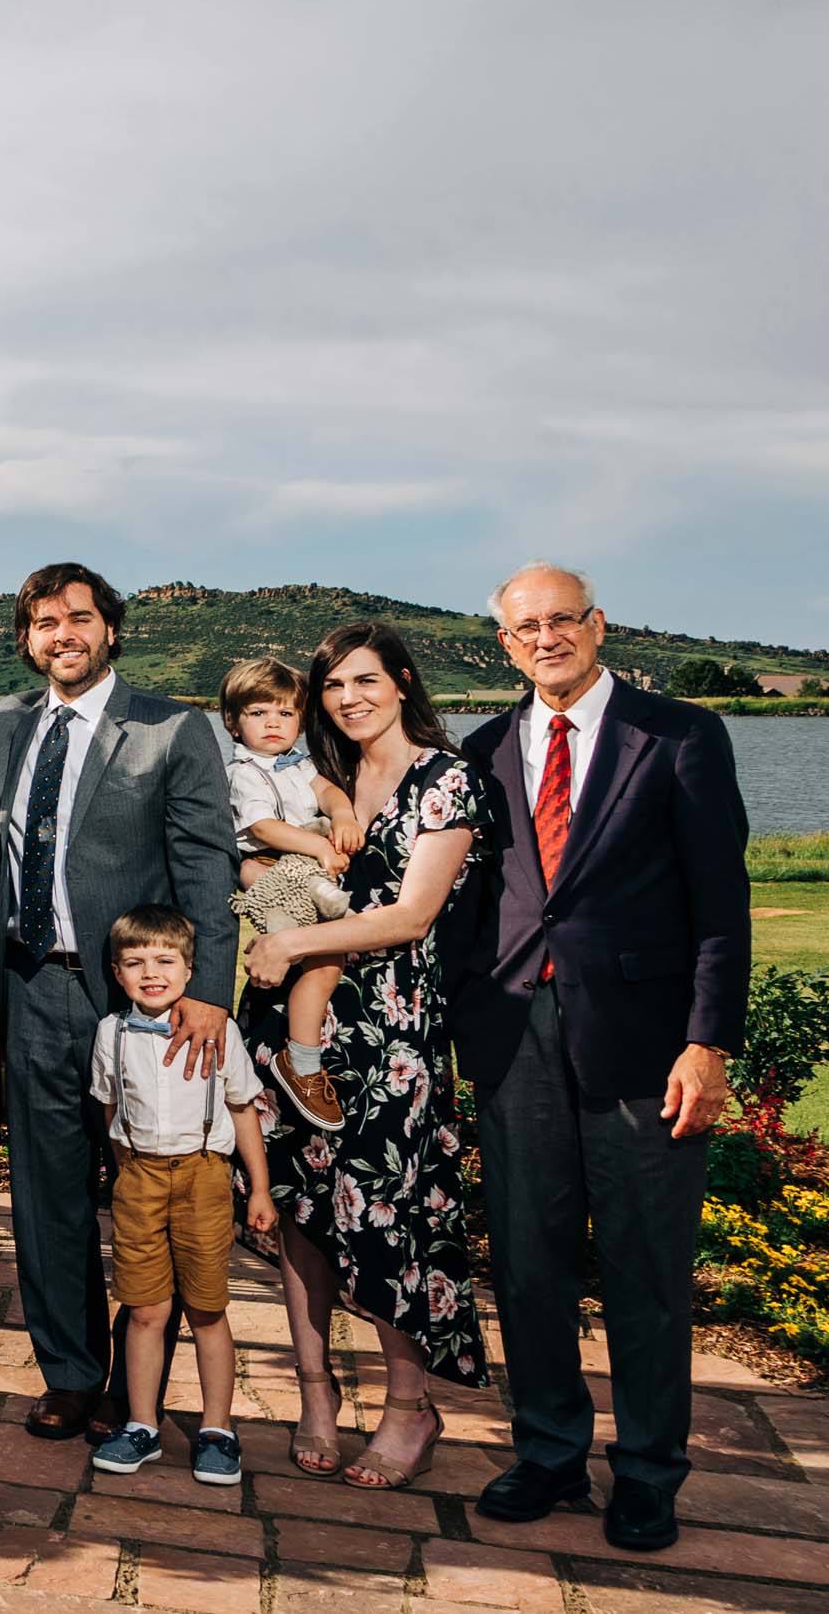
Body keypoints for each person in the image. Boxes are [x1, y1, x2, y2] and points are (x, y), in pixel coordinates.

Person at [452, 562, 746, 1553]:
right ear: (504, 643)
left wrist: (706, 1043)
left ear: (598, 624)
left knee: (644, 1268)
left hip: (645, 1044)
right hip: (512, 1036)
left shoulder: (679, 734)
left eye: (562, 620)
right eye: (525, 626)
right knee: (528, 1264)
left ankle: (650, 1471)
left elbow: (720, 905)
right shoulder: (484, 747)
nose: (546, 637)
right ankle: (546, 1451)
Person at [0, 563, 237, 1443]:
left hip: (140, 1003)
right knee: (46, 1192)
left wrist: (208, 992)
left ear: (111, 630)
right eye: (45, 623)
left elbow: (207, 864)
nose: (63, 635)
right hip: (28, 986)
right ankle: (70, 1373)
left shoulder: (171, 728)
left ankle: (142, 1389)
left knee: (144, 1190)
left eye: (79, 619)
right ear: (27, 638)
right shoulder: (5, 723)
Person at [242, 621, 489, 1490]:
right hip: (291, 1026)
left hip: (390, 1035)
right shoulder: (331, 774)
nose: (349, 698)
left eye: (364, 681)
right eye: (334, 686)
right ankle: (315, 1396)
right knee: (303, 1219)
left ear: (403, 680)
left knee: (388, 1221)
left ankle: (408, 1405)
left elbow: (411, 914)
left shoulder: (447, 779)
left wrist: (294, 938)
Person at [86, 906, 274, 1487]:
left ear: (190, 970)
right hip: (139, 1179)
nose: (151, 972)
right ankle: (141, 1424)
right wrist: (126, 1173)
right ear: (117, 973)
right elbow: (111, 1107)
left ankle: (218, 1428)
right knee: (145, 1308)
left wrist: (259, 1189)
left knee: (207, 1308)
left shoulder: (221, 1030)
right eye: (135, 963)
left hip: (205, 1178)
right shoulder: (110, 1033)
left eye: (165, 961)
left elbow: (243, 1107)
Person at [220, 658, 361, 1132]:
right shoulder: (243, 773)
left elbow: (331, 794)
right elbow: (261, 826)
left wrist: (342, 818)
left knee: (326, 959)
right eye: (259, 713)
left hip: (302, 864)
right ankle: (302, 1063)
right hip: (271, 870)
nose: (274, 724)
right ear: (233, 723)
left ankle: (300, 1054)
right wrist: (321, 845)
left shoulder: (303, 765)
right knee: (327, 955)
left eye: (285, 714)